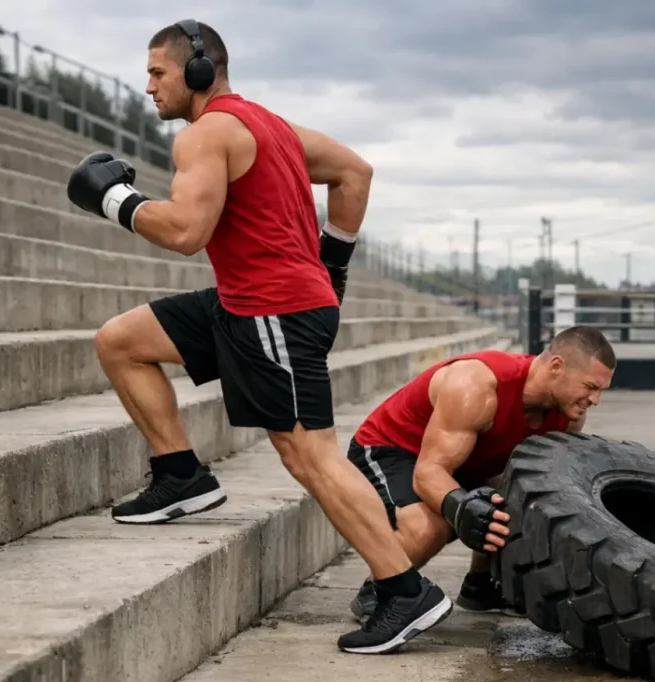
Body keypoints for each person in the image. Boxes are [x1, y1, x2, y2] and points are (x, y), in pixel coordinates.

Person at [64, 19, 449, 654]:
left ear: (196, 70)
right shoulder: (272, 126)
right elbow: (355, 171)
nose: (148, 86)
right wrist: (335, 262)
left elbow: (187, 231)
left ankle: (406, 592)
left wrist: (116, 201)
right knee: (121, 340)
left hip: (276, 312)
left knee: (311, 457)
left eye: (158, 73)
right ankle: (181, 474)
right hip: (247, 302)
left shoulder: (206, 135)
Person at [344, 326, 616, 619]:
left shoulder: (570, 413)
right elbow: (428, 473)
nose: (595, 400)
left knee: (527, 498)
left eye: (601, 390)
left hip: (466, 461)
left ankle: (482, 585)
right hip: (392, 450)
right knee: (433, 528)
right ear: (557, 366)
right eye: (590, 387)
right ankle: (382, 590)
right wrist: (462, 509)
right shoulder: (477, 385)